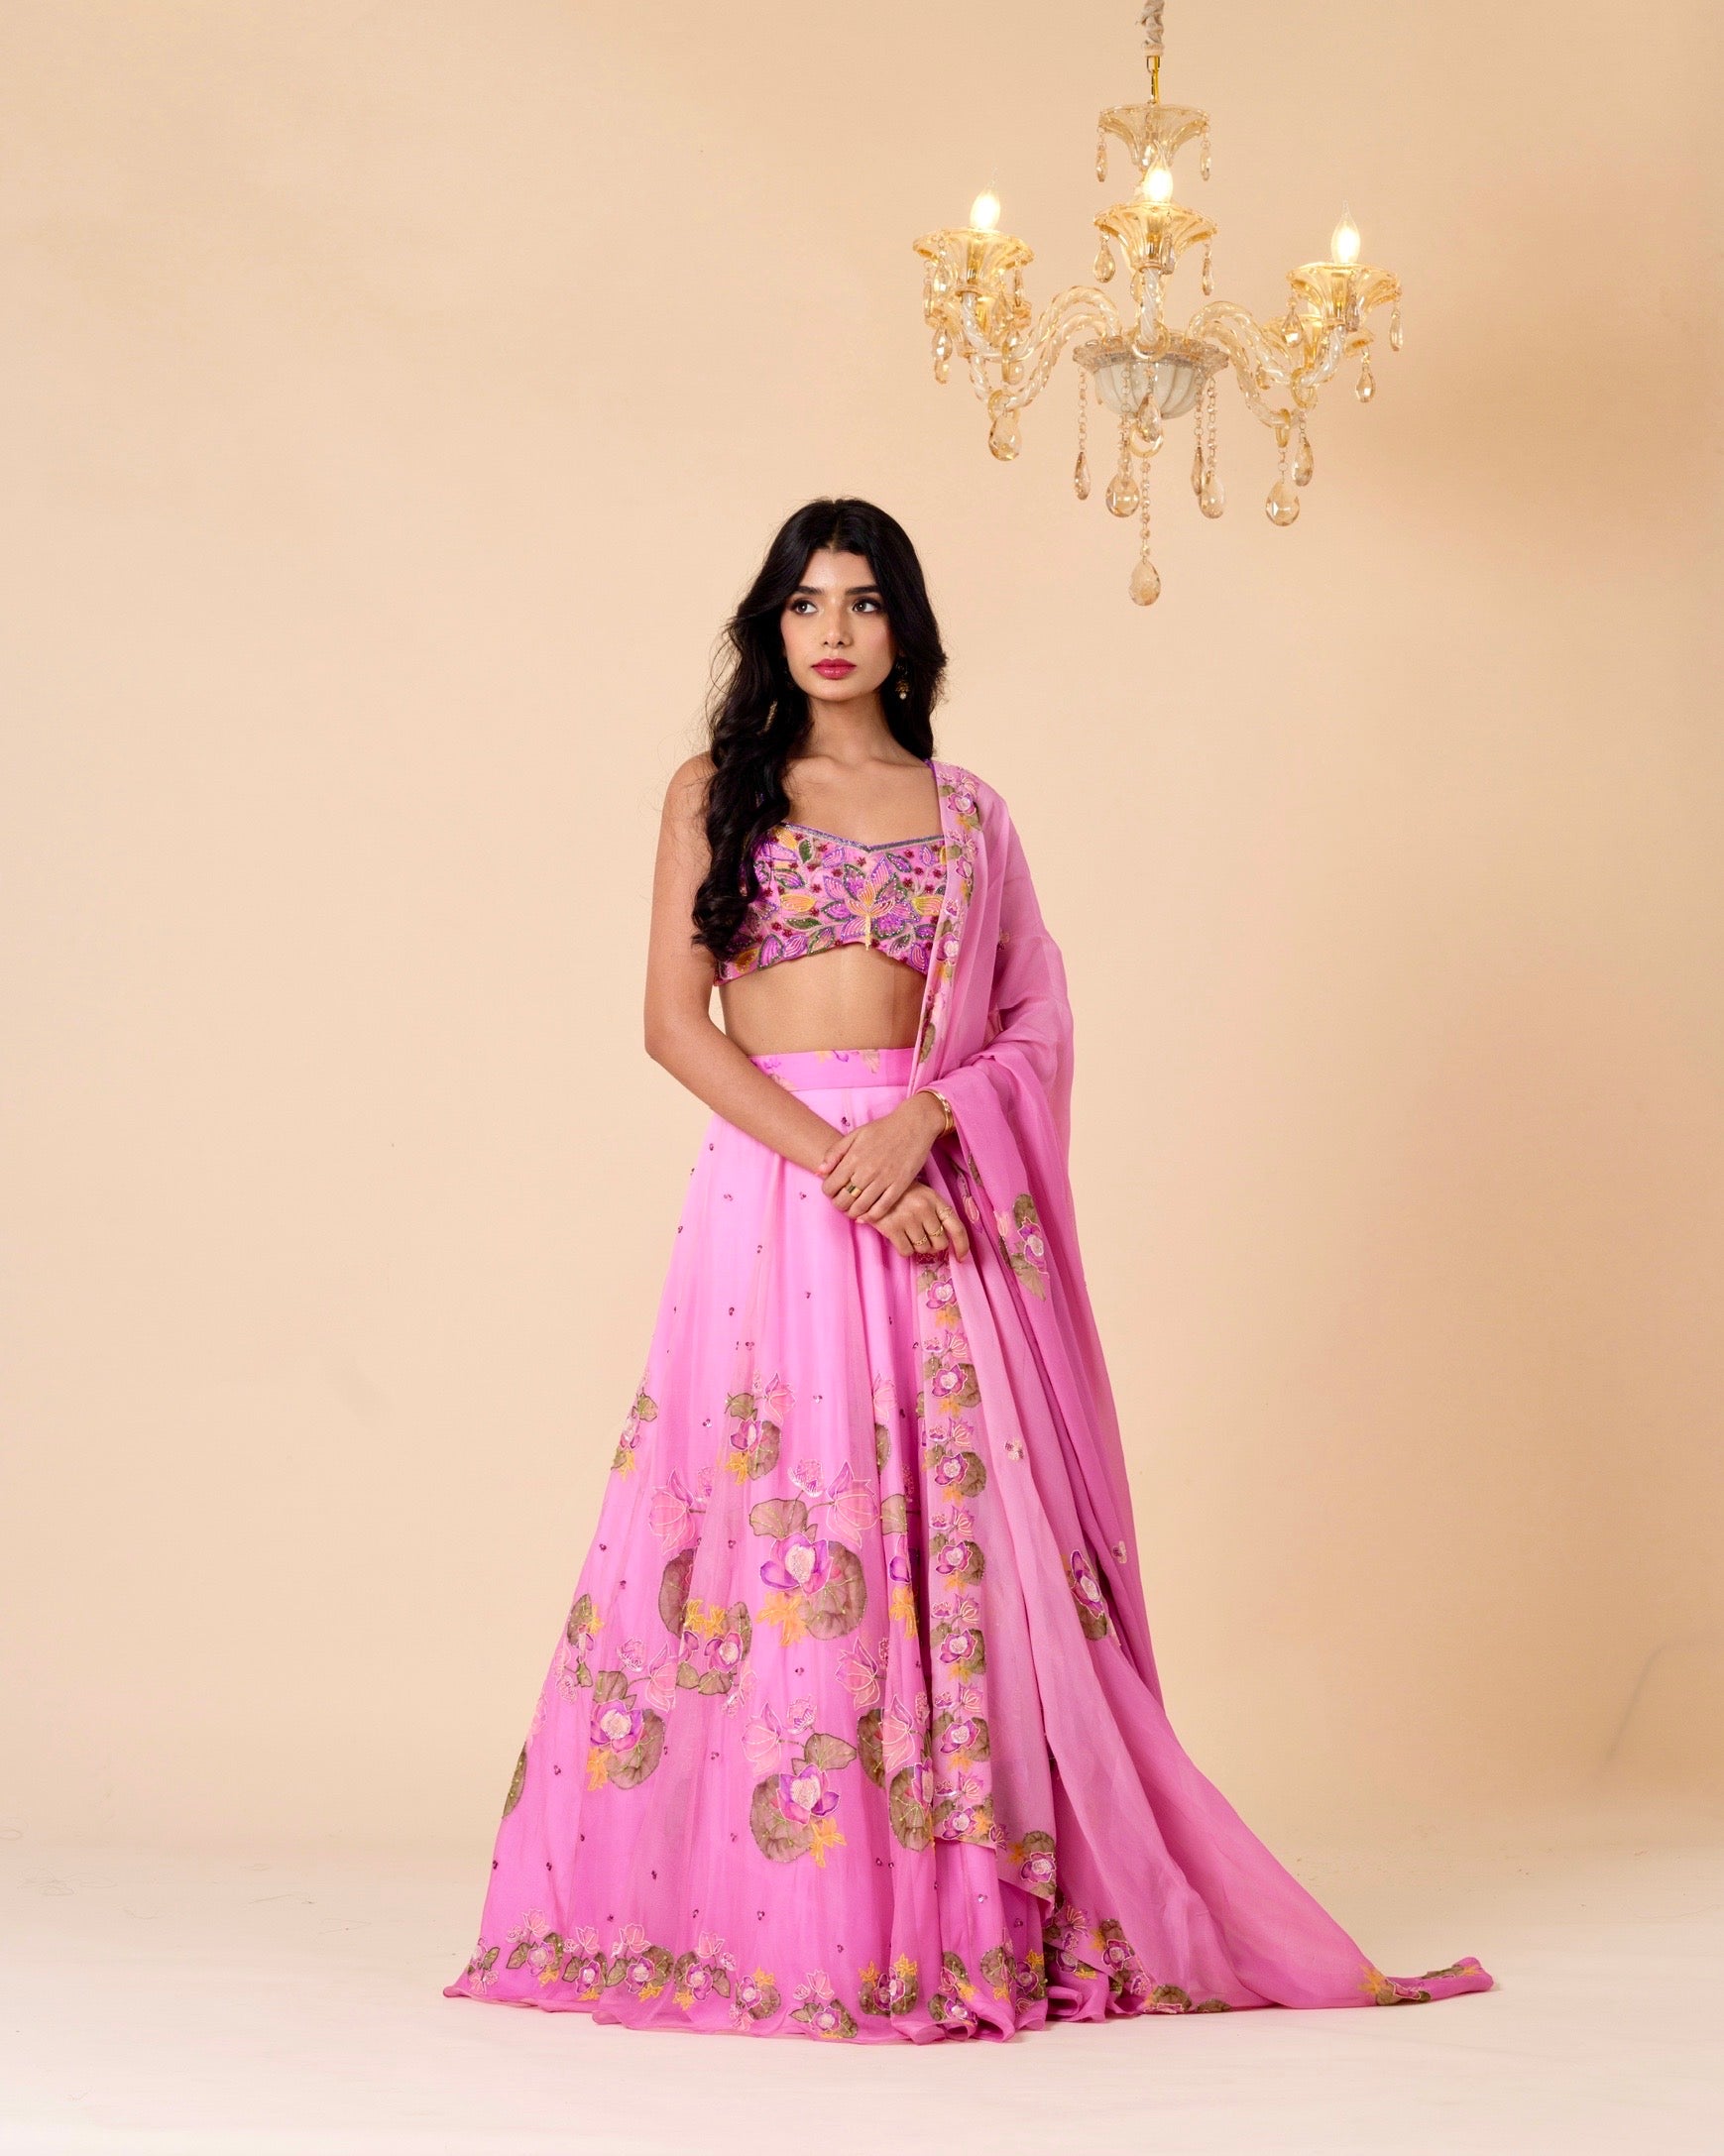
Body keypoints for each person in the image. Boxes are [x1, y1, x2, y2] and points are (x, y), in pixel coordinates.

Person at [442, 497, 1493, 2042]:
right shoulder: (713, 793)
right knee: (780, 1530)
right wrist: (838, 1156)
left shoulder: (970, 814)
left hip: (934, 1188)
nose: (835, 628)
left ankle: (956, 1901)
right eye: (807, 602)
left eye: (863, 601)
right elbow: (677, 1026)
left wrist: (930, 1120)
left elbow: (1034, 1024)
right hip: (783, 1201)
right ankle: (792, 1911)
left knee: (956, 1534)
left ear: (904, 626)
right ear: (773, 627)